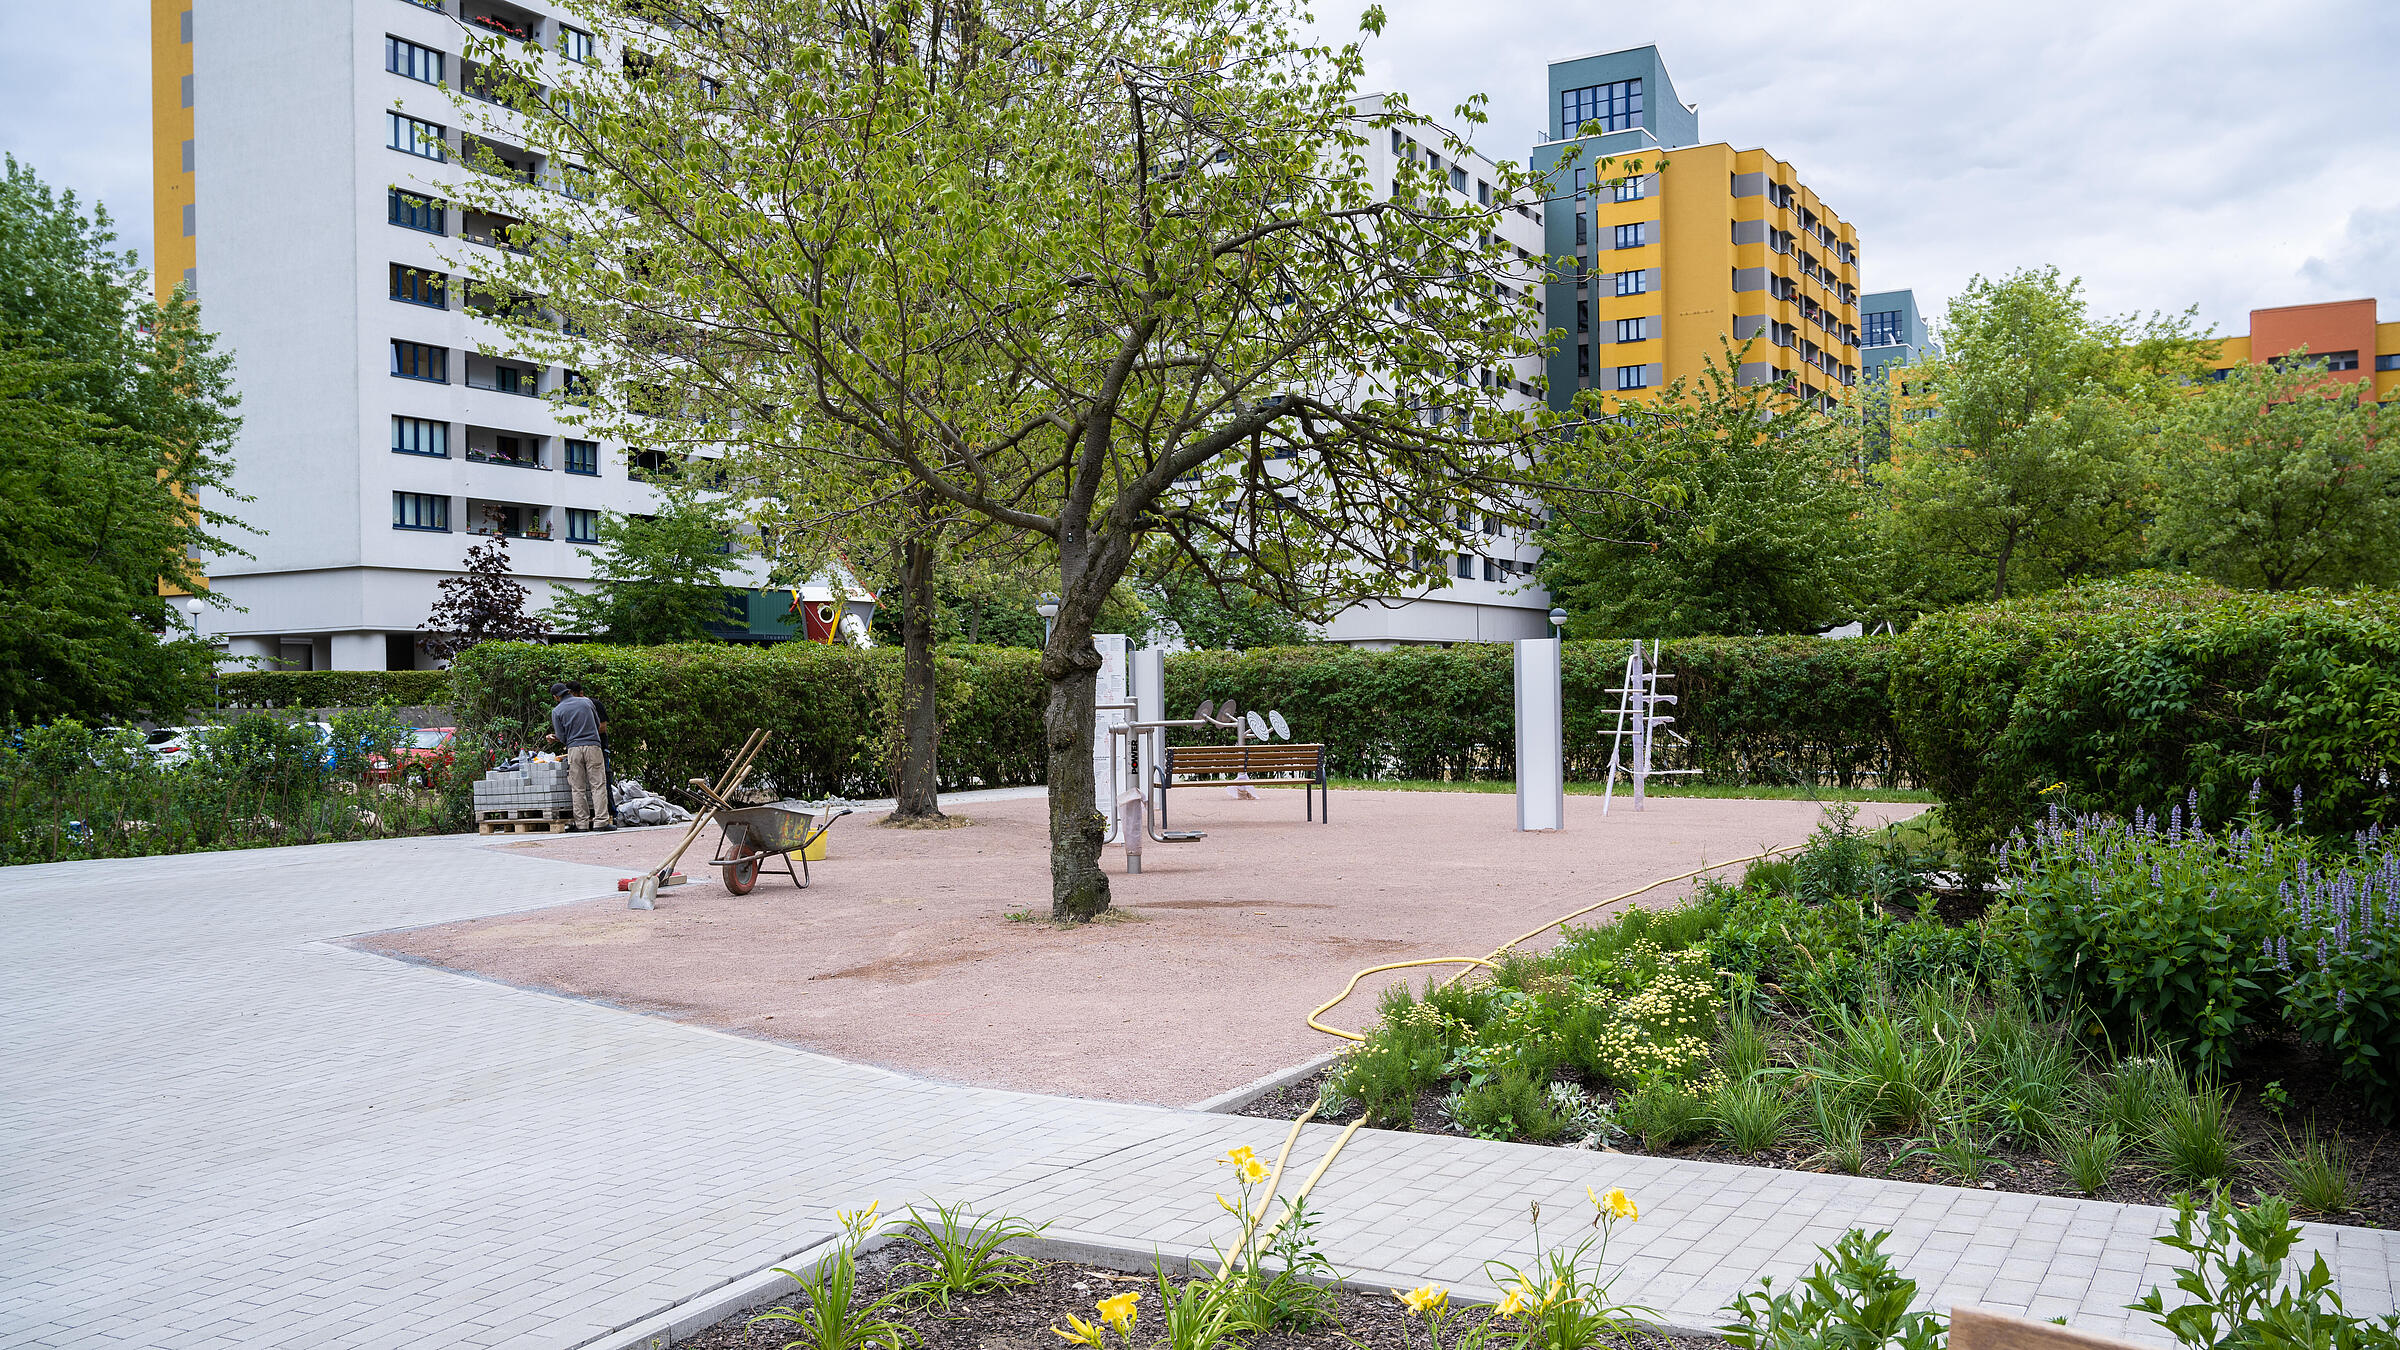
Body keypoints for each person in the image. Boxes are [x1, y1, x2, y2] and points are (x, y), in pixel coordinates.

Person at [545, 681, 613, 832]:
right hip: (593, 746)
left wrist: (559, 738)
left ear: (556, 697)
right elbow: (597, 725)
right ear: (568, 691)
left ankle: (581, 824)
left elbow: (562, 736)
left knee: (577, 788)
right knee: (598, 785)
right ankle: (601, 822)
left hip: (573, 749)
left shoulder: (557, 711)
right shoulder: (586, 702)